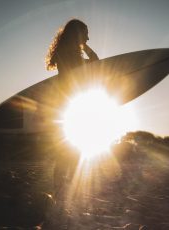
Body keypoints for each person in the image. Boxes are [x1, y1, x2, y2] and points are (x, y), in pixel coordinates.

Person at [45, 19, 99, 196]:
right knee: (70, 149)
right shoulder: (69, 53)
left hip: (70, 103)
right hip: (69, 105)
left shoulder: (68, 52)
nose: (88, 38)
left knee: (70, 149)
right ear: (77, 34)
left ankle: (62, 190)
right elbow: (95, 62)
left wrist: (82, 46)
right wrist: (84, 47)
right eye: (86, 33)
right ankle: (61, 191)